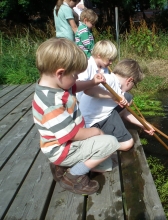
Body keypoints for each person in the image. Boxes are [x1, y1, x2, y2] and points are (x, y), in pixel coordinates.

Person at [32, 38, 122, 195]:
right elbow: (72, 134)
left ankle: (62, 166)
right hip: (64, 149)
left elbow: (75, 86)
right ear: (60, 73)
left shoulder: (52, 85)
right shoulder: (52, 104)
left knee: (106, 162)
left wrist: (93, 82)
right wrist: (96, 132)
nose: (76, 79)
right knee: (111, 144)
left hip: (61, 145)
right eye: (75, 75)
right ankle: (74, 176)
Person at [77, 41, 154, 151]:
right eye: (134, 84)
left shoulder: (116, 83)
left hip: (100, 117)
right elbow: (88, 90)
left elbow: (126, 111)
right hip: (93, 122)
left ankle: (109, 129)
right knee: (128, 144)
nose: (133, 87)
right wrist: (112, 96)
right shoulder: (109, 80)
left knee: (128, 98)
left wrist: (143, 124)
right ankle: (95, 143)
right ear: (129, 80)